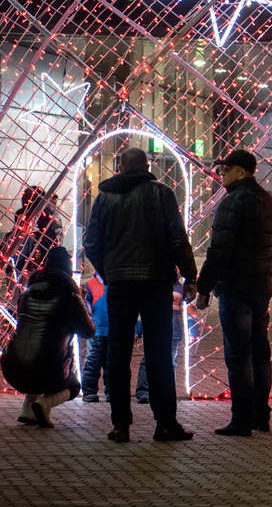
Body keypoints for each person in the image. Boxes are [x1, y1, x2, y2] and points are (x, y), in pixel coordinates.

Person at [85, 147, 198, 444]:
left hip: (120, 283)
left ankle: (121, 424)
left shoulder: (104, 197)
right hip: (156, 281)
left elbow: (91, 242)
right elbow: (177, 238)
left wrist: (108, 272)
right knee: (158, 352)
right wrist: (190, 274)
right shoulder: (161, 193)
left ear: (119, 167)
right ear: (147, 166)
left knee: (118, 353)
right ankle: (165, 423)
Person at [194, 149, 272, 436]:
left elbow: (219, 251)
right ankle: (261, 415)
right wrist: (270, 278)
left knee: (238, 354)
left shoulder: (232, 203)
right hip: (261, 288)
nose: (222, 175)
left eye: (226, 169)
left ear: (242, 171)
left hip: (235, 288)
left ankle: (242, 418)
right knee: (260, 352)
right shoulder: (270, 201)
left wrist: (204, 288)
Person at [2, 247, 95, 427]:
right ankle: (45, 404)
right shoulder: (69, 295)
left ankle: (27, 411)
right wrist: (83, 306)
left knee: (36, 357)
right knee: (74, 385)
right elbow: (88, 331)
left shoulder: (27, 293)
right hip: (48, 370)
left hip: (13, 366)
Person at [80, 263, 110, 403]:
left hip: (112, 329)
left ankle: (112, 391)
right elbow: (86, 305)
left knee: (111, 362)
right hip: (97, 330)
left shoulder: (115, 283)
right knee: (93, 360)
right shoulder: (90, 284)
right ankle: (90, 391)